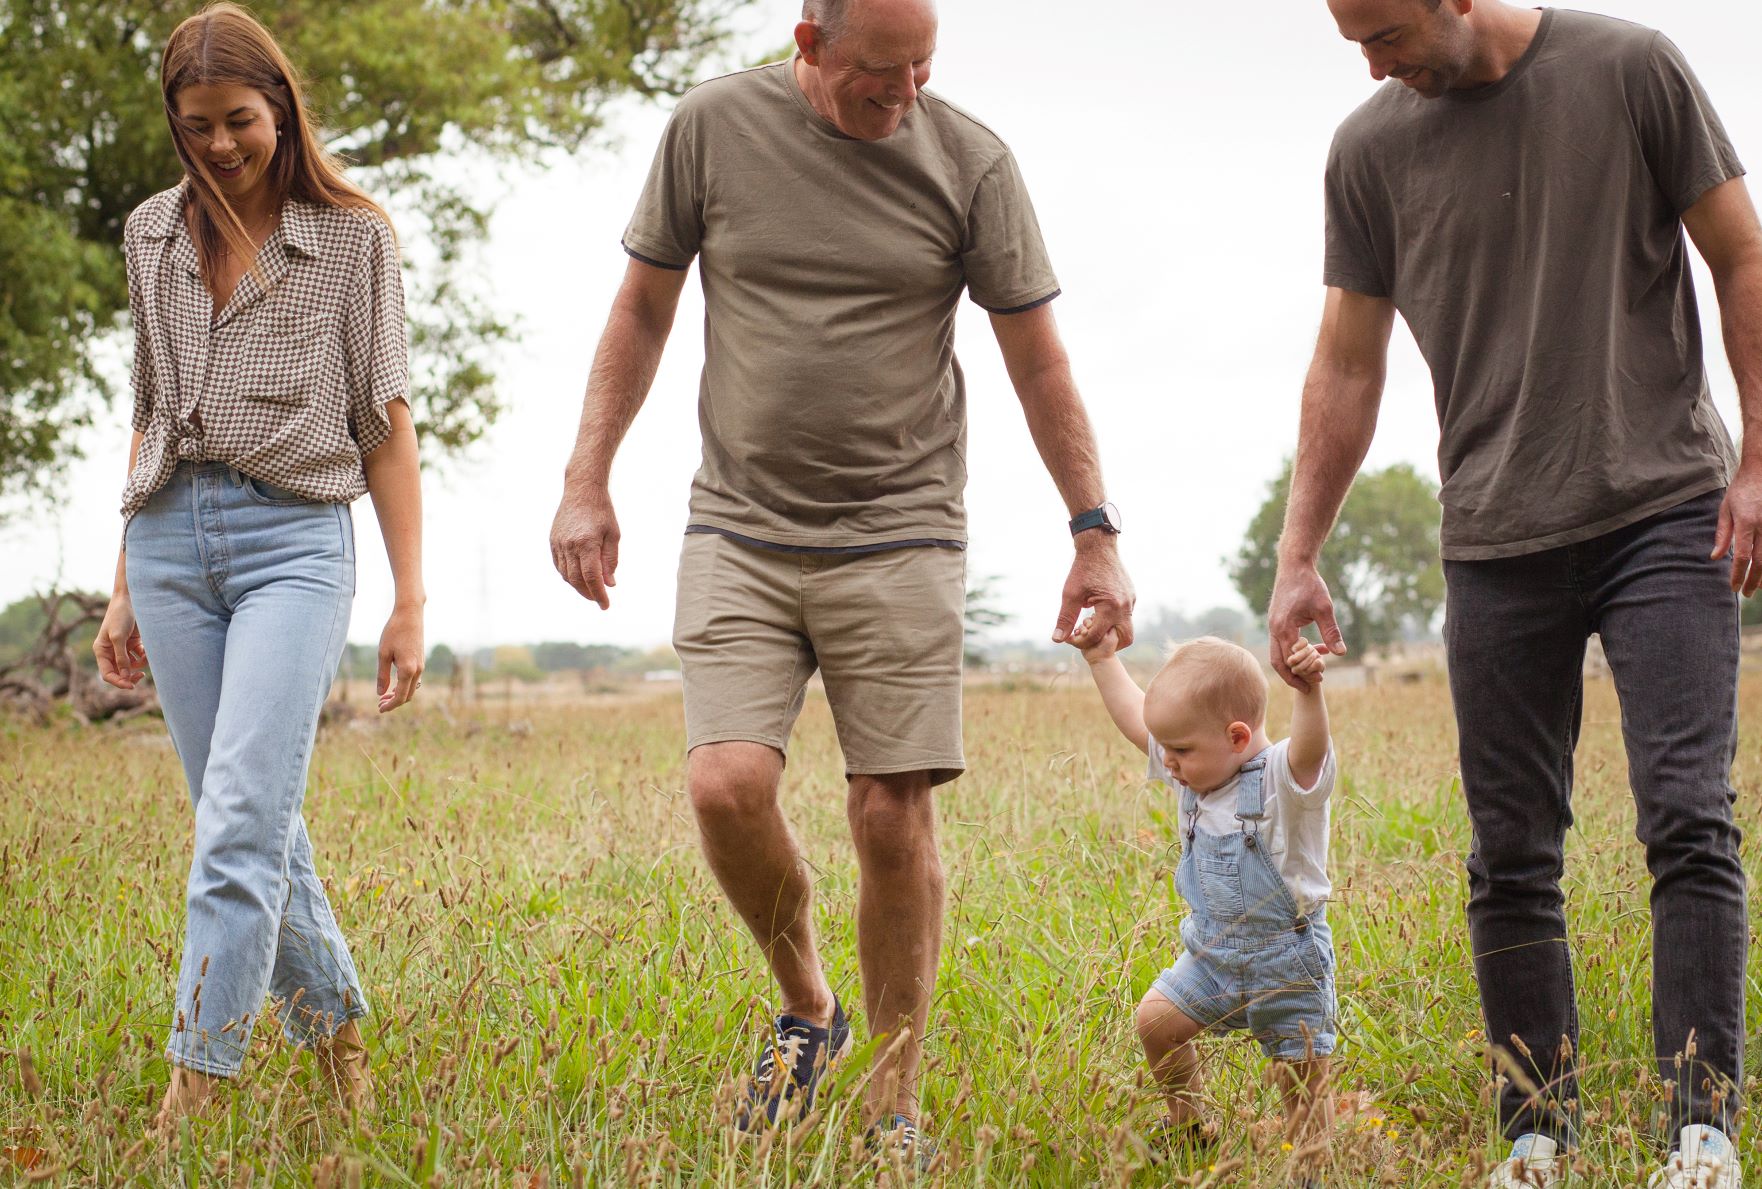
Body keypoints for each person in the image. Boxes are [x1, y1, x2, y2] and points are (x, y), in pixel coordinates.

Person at [548, 0, 1133, 1160]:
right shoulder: (710, 129)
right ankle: (808, 1001)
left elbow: (1038, 356)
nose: (905, 91)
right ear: (810, 45)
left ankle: (892, 1097)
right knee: (724, 784)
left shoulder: (971, 162)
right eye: (881, 70)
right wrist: (586, 477)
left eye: (925, 66)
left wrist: (1094, 529)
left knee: (888, 813)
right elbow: (643, 306)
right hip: (739, 524)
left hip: (904, 529)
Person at [1269, 2, 1760, 1185]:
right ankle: (1537, 1135)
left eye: (1383, 33)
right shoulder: (1368, 148)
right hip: (1493, 536)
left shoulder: (1630, 68)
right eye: (1352, 41)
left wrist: (1758, 458)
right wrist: (1297, 554)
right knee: (1509, 849)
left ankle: (1699, 1133)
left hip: (1663, 508)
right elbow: (1347, 358)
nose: (1372, 63)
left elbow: (1739, 250)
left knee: (1685, 814)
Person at [92, 2, 424, 1125]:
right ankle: (339, 1048)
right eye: (197, 128)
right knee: (250, 820)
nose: (222, 145)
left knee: (237, 816)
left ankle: (193, 1089)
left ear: (279, 106)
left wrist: (409, 598)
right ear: (174, 127)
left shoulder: (353, 239)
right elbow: (146, 410)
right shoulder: (147, 234)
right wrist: (125, 579)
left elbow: (384, 424)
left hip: (295, 542)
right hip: (170, 539)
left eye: (240, 120)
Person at [1069, 628, 1338, 1186]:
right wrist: (1101, 659)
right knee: (1156, 1022)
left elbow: (1311, 751)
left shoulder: (1282, 782)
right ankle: (1188, 1123)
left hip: (1286, 965)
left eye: (1180, 750)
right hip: (1212, 957)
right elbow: (1136, 720)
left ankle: (1310, 1172)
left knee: (1301, 1085)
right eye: (1166, 748)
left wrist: (1308, 691)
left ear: (1238, 736)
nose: (1167, 761)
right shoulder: (1196, 769)